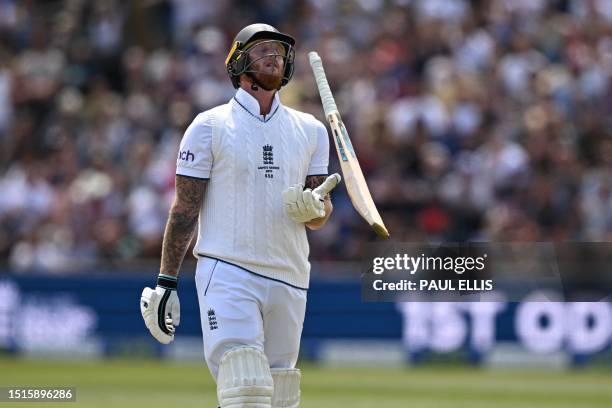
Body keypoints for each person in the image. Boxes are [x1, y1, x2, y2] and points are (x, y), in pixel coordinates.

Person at [140, 23, 340, 408]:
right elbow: (184, 208)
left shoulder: (311, 130)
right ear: (238, 63)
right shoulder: (209, 126)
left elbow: (320, 210)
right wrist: (166, 280)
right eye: (262, 49)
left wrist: (317, 209)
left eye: (279, 51)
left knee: (281, 393)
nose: (273, 56)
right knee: (245, 387)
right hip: (228, 270)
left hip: (290, 274)